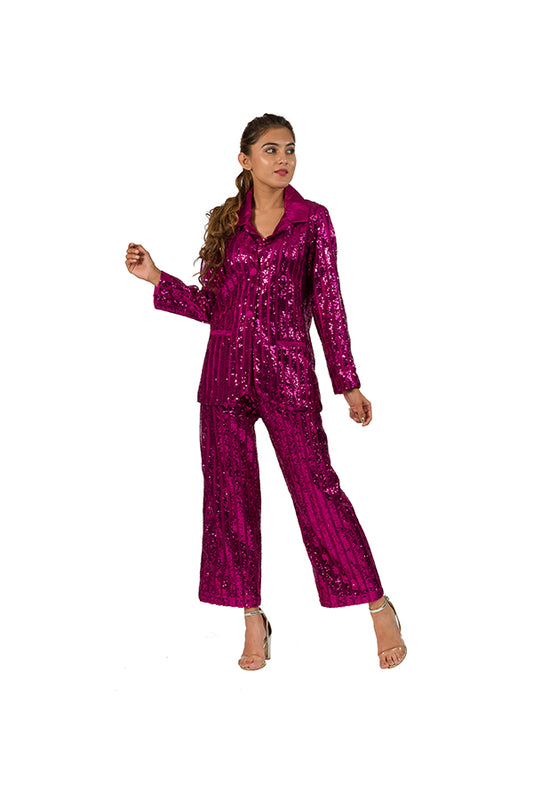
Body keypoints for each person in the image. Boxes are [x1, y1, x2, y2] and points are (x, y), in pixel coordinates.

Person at [125, 113, 407, 671]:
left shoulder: (312, 220)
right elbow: (214, 305)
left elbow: (328, 304)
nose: (283, 159)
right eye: (271, 149)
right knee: (229, 501)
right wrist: (158, 278)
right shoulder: (226, 222)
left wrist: (348, 384)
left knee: (317, 491)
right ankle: (252, 618)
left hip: (288, 375)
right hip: (224, 377)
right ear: (245, 159)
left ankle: (378, 605)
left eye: (290, 149)